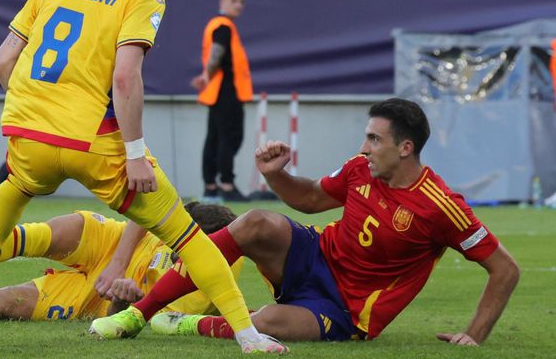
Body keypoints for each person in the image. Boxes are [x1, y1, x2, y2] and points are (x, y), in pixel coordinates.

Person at [0, 0, 285, 354]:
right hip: (93, 140)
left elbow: (1, 60)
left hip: (30, 132)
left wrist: (35, 110)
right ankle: (248, 337)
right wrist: (134, 152)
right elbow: (125, 77)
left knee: (14, 188)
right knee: (186, 235)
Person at [90, 99, 519, 345]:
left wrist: (475, 334)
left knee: (268, 324)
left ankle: (188, 322)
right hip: (316, 257)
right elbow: (311, 200)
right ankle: (138, 315)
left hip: (348, 309)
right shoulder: (358, 169)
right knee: (256, 221)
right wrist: (276, 174)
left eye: (374, 139)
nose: (364, 146)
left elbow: (505, 269)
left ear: (406, 147)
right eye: (366, 136)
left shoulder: (440, 205)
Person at [0, 201, 241, 323]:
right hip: (112, 243)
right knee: (49, 232)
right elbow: (145, 210)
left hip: (100, 299)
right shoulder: (195, 222)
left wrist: (124, 298)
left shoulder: (208, 279)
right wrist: (118, 262)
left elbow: (146, 319)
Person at [190, 0, 251, 202]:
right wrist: (207, 75)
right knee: (229, 137)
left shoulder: (219, 25)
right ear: (222, 2)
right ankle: (226, 184)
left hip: (218, 91)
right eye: (234, 1)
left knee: (215, 138)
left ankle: (210, 186)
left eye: (241, 1)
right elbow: (217, 51)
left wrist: (206, 76)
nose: (239, 5)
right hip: (226, 91)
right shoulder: (224, 26)